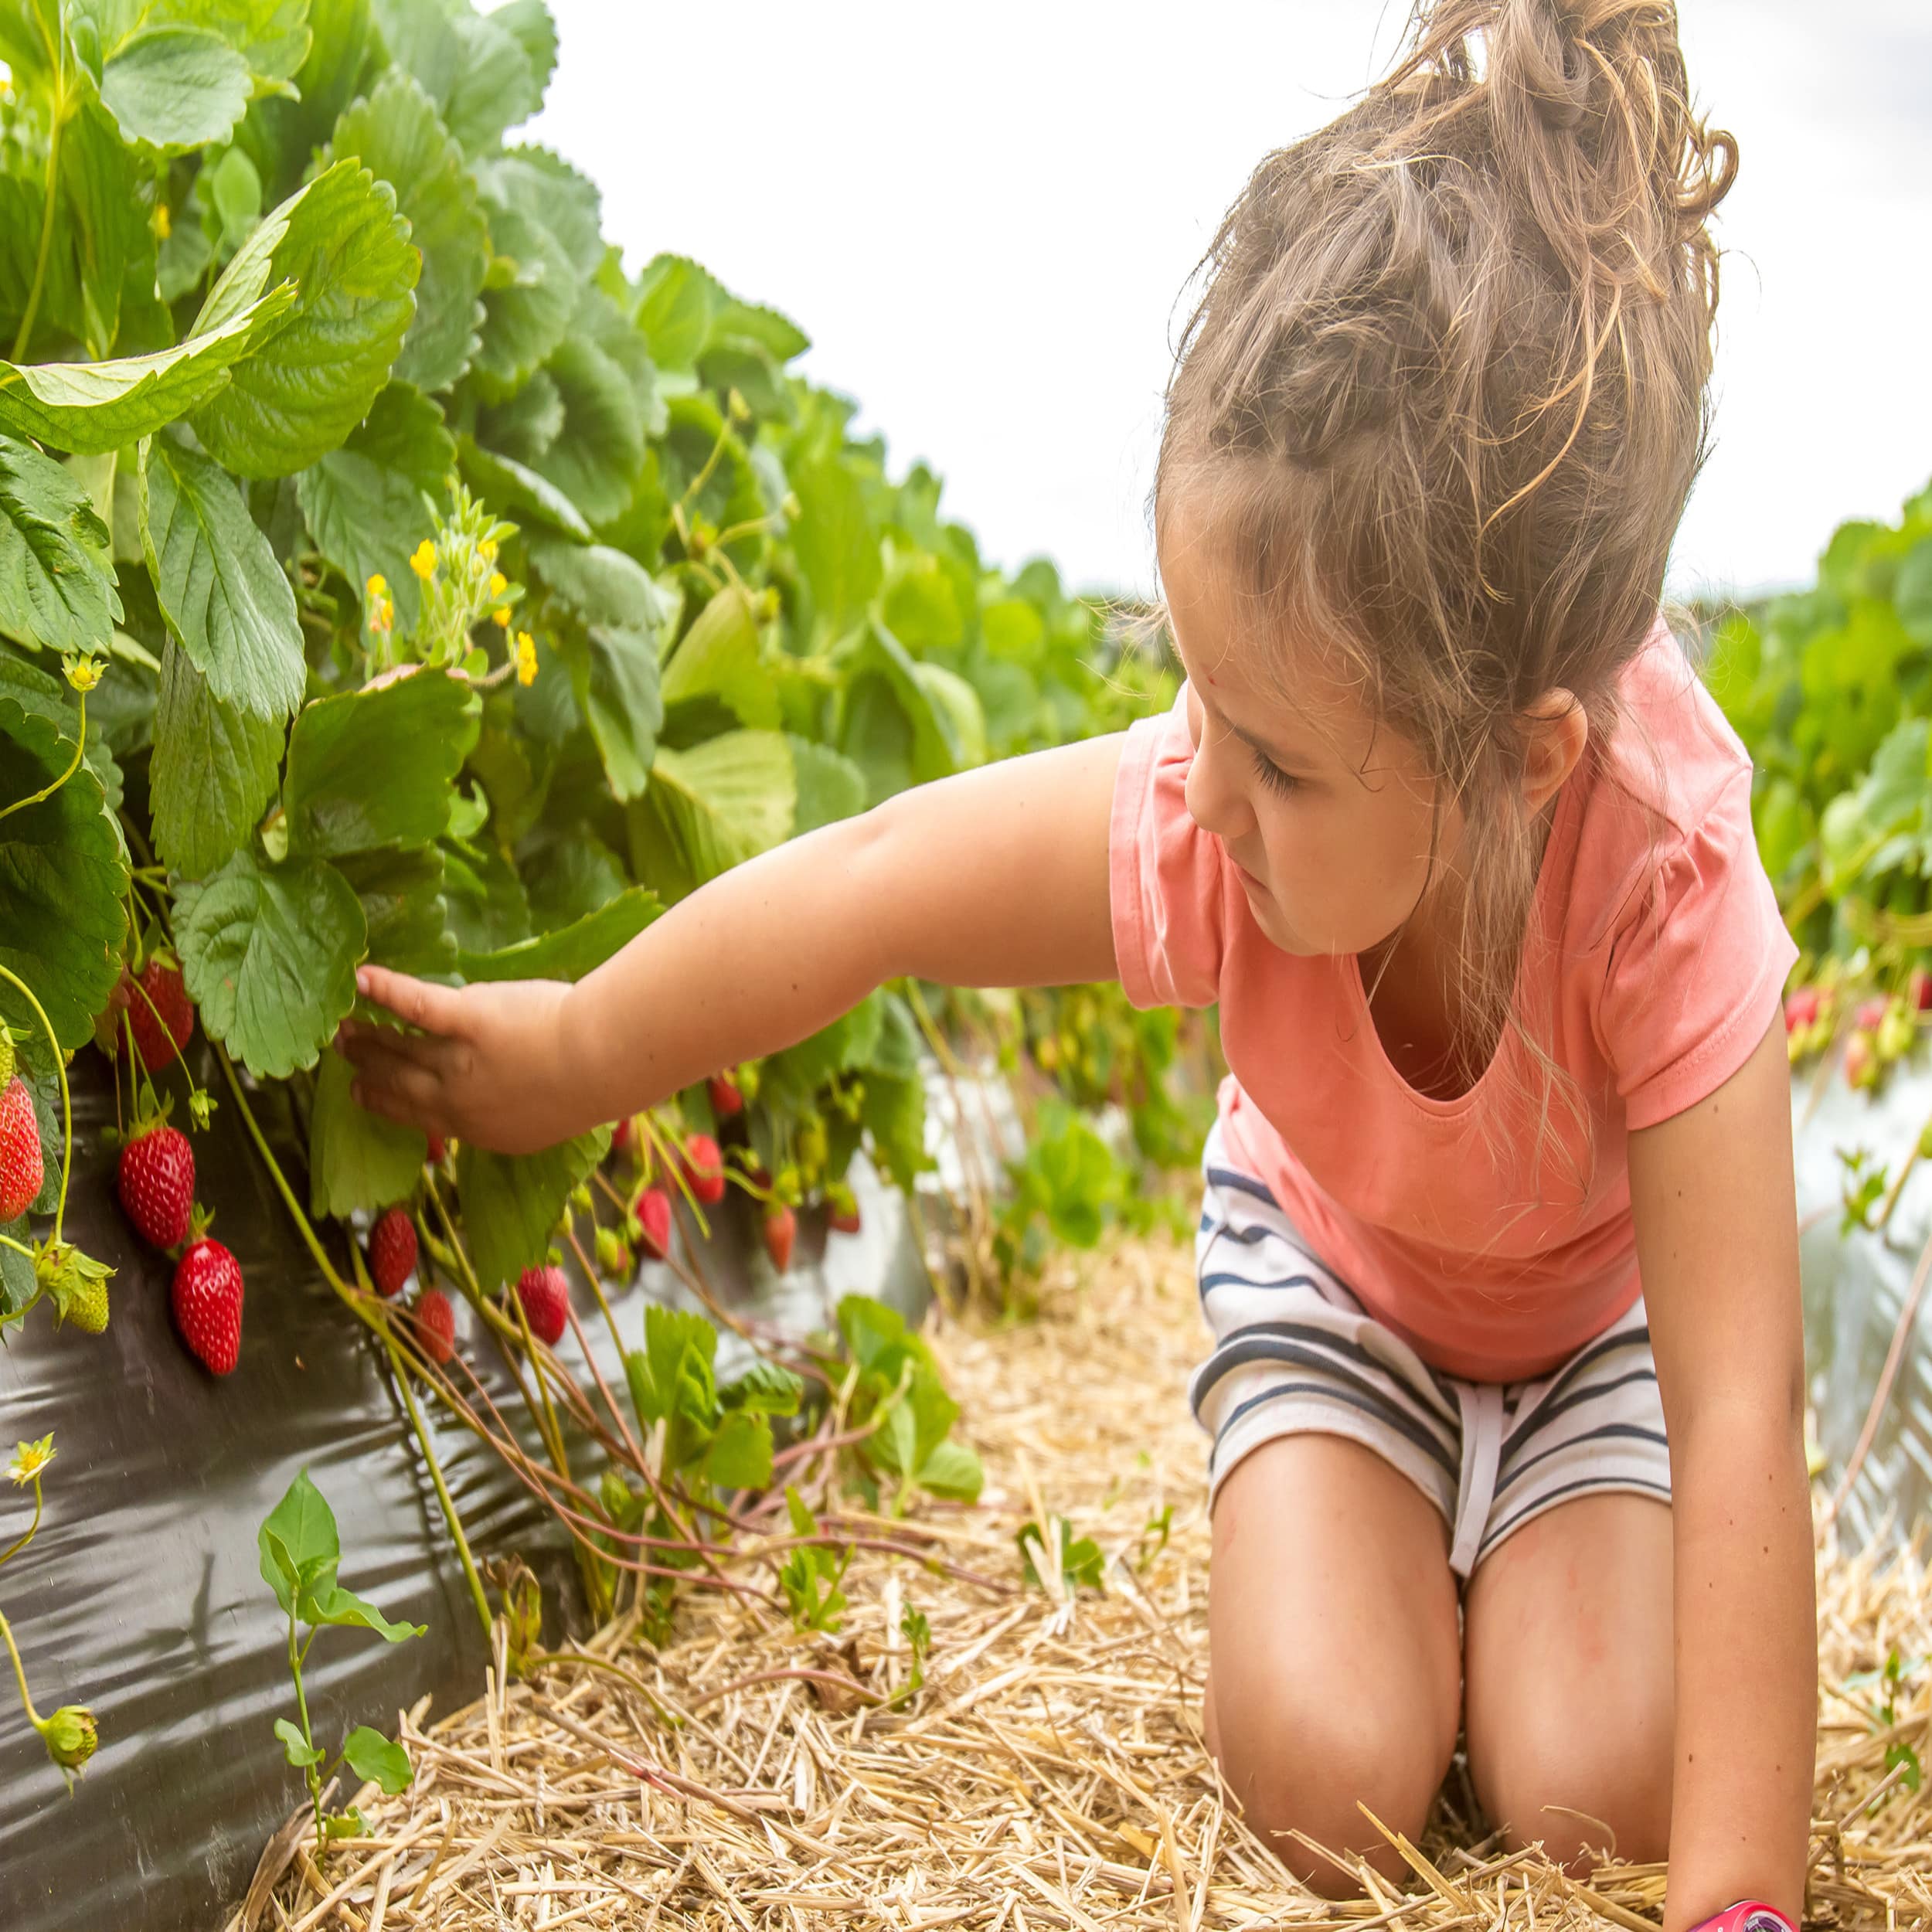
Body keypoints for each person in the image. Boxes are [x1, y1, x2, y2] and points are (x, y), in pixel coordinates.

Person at [334, 3, 1814, 1927]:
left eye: (1278, 757)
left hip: (1588, 1348)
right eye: (1192, 695)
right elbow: (873, 881)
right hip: (1341, 1290)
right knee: (1322, 1779)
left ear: (1515, 759)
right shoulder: (1214, 813)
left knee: (1601, 1796)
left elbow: (1736, 1404)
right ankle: (1413, 1553)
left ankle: (1527, 1562)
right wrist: (572, 1051)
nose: (1199, 783)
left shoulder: (1660, 877)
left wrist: (1742, 1897)